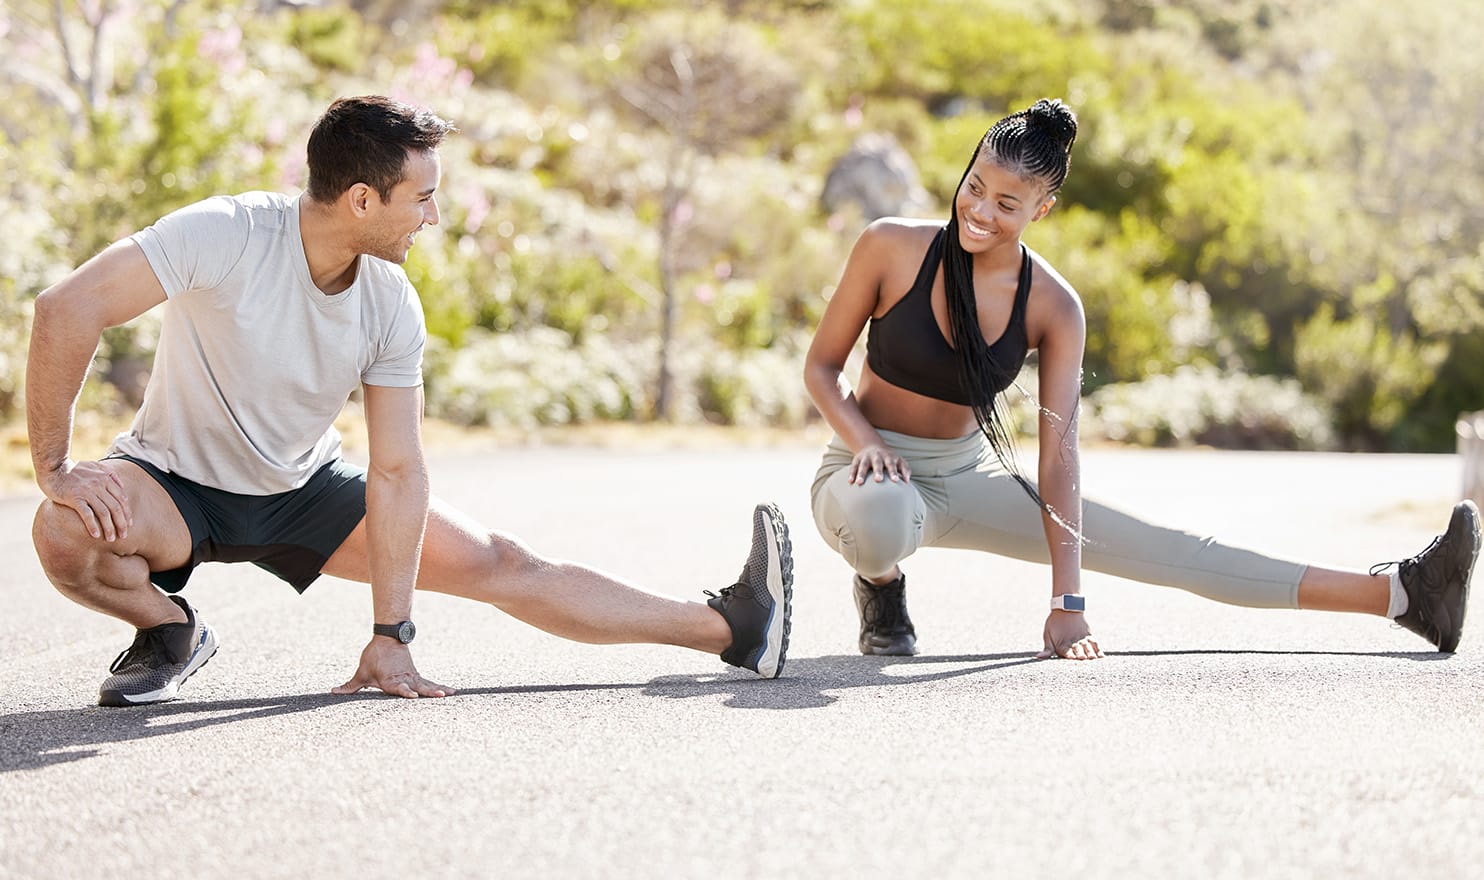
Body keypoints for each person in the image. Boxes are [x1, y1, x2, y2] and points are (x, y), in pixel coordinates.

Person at [29, 95, 793, 708]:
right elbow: (67, 308)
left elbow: (397, 469)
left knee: (503, 562)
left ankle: (731, 629)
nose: (433, 216)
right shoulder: (226, 233)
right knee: (63, 530)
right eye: (422, 199)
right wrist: (57, 466)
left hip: (303, 491)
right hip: (176, 485)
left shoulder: (390, 300)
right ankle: (168, 631)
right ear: (362, 199)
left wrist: (390, 632)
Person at [803, 97, 1480, 660]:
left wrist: (1068, 601)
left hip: (966, 475)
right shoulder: (891, 247)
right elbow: (821, 369)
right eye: (975, 187)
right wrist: (865, 440)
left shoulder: (1053, 304)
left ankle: (1402, 595)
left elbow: (1059, 450)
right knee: (881, 517)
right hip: (866, 471)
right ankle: (882, 587)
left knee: (1171, 550)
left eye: (1007, 203)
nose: (980, 211)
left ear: (1042, 209)